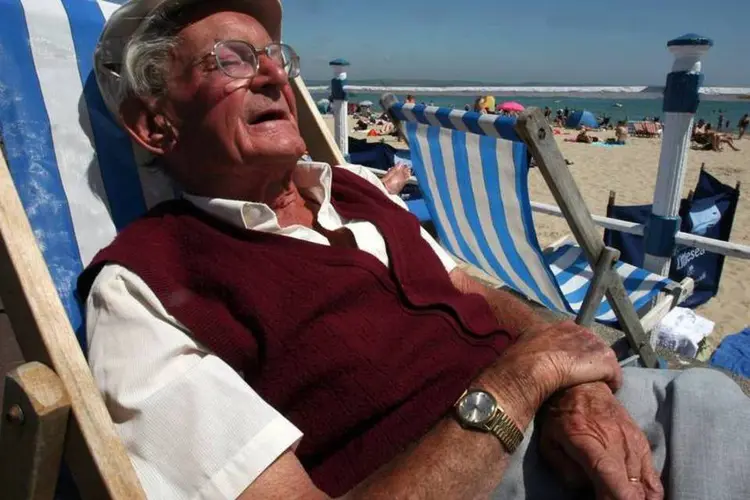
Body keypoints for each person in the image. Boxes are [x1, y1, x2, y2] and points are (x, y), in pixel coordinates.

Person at [84, 1, 750, 499]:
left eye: (277, 60)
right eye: (228, 60)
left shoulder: (355, 188)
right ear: (155, 125)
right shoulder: (146, 283)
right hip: (481, 481)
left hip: (605, 415)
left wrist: (578, 387)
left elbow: (477, 292)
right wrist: (522, 388)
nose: (273, 81)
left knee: (714, 401)